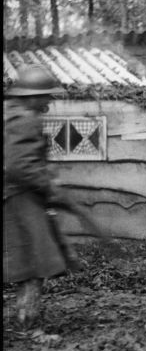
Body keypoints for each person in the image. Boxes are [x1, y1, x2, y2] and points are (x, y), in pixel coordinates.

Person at [3, 65, 77, 330]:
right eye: (46, 94)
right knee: (37, 262)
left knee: (30, 262)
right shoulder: (25, 120)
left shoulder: (12, 114)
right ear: (31, 96)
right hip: (21, 199)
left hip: (17, 197)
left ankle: (25, 320)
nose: (50, 100)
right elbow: (19, 166)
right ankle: (28, 324)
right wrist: (50, 188)